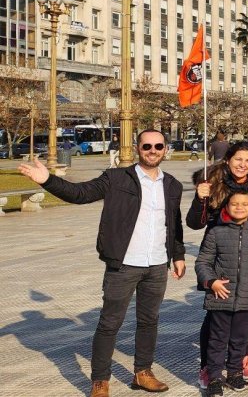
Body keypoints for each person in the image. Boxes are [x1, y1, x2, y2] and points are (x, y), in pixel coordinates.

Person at [19, 130, 185, 397]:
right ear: (137, 148)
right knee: (109, 323)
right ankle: (100, 380)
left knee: (149, 321)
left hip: (157, 264)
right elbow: (80, 193)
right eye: (147, 146)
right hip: (123, 264)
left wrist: (178, 255)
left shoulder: (172, 184)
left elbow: (173, 223)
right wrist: (47, 180)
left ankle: (143, 372)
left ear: (166, 149)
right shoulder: (116, 178)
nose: (152, 150)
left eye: (158, 146)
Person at [187, 142, 248, 386]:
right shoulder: (214, 182)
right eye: (238, 159)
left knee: (246, 320)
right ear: (228, 160)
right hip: (221, 255)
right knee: (215, 321)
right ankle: (209, 367)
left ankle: (238, 363)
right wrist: (200, 198)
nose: (242, 165)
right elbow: (195, 222)